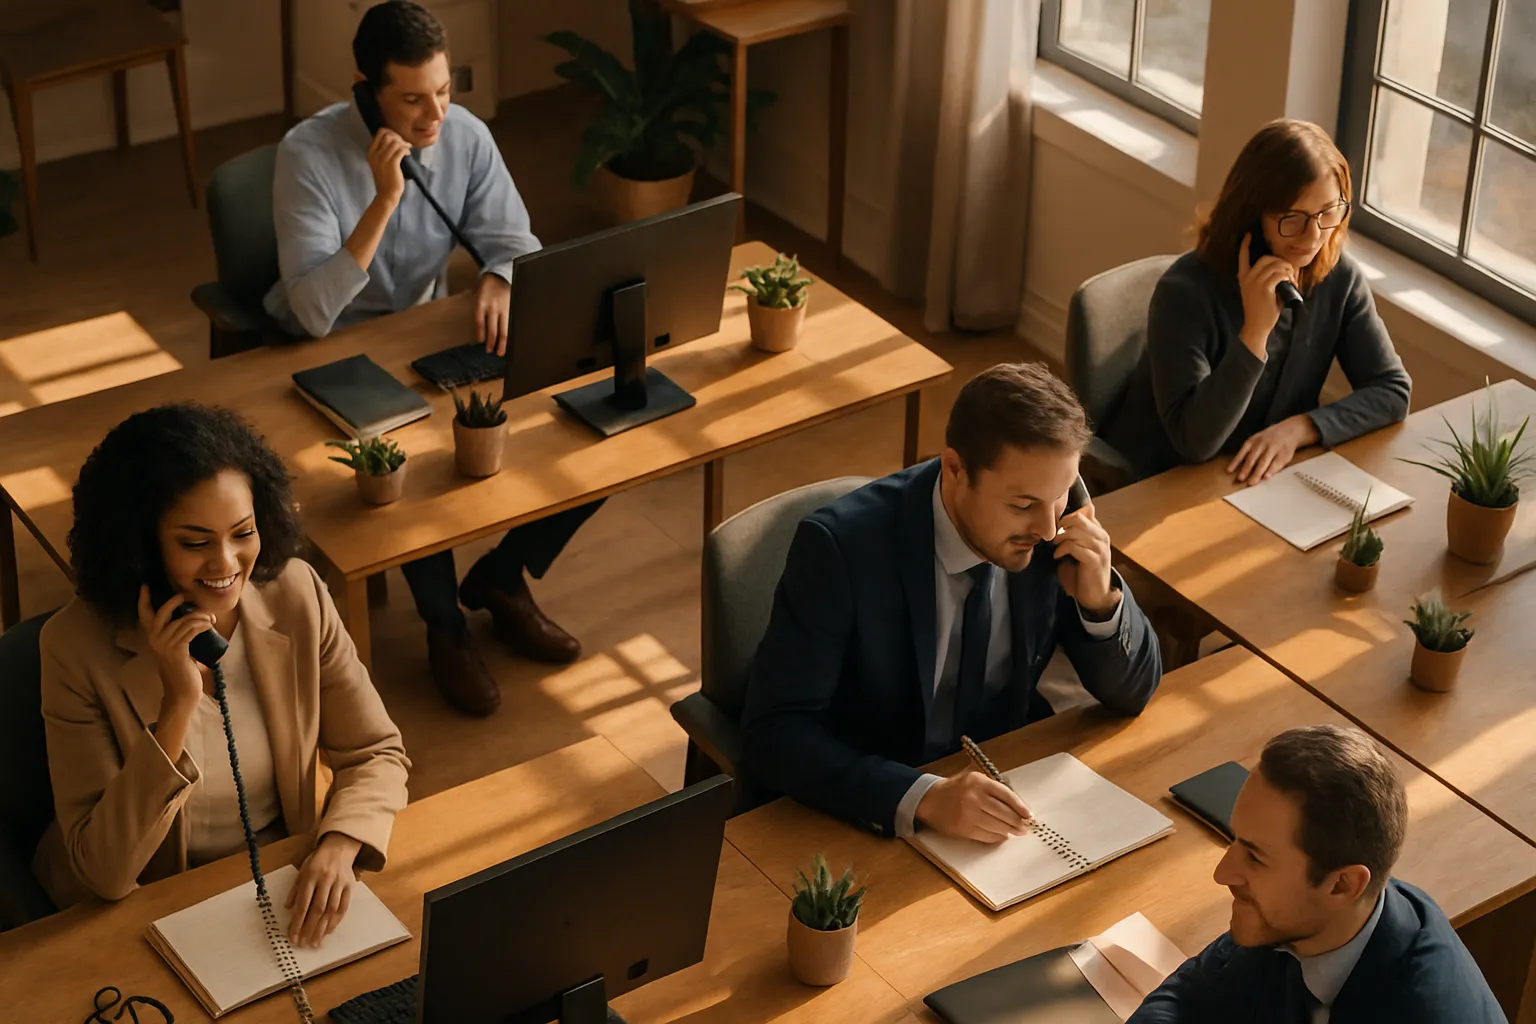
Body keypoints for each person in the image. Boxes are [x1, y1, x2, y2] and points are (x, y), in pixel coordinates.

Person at [264, 0, 600, 716]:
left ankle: (503, 577)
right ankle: (445, 627)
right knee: (406, 458)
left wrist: (499, 279)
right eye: (412, 98)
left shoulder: (466, 137)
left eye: (444, 91)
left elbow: (515, 242)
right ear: (364, 87)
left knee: (594, 417)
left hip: (421, 334)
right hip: (333, 348)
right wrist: (384, 199)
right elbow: (311, 310)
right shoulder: (307, 156)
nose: (434, 115)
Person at [33, 404, 411, 950]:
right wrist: (178, 704)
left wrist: (340, 843)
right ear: (141, 550)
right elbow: (106, 871)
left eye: (243, 532)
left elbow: (376, 751)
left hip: (278, 866)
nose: (227, 563)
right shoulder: (73, 648)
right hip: (143, 904)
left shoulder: (298, 595)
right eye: (195, 542)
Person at [741, 363, 1162, 840]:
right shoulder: (841, 550)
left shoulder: (1055, 523)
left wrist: (1100, 599)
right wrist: (923, 796)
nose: (1046, 529)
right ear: (955, 469)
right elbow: (776, 733)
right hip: (874, 805)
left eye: (1061, 494)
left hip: (1006, 790)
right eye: (1021, 505)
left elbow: (1135, 692)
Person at [1100, 119, 1411, 484]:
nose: (1313, 237)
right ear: (1252, 214)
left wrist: (1300, 429)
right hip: (1163, 480)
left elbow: (1392, 391)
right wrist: (1255, 333)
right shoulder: (1184, 293)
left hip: (1253, 479)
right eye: (1292, 218)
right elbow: (1194, 443)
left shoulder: (1338, 277)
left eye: (1328, 212)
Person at [1130, 725, 1504, 1023]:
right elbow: (1192, 996)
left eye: (1256, 858)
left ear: (1342, 885)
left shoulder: (1423, 1008)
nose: (1223, 872)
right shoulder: (1300, 918)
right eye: (1235, 840)